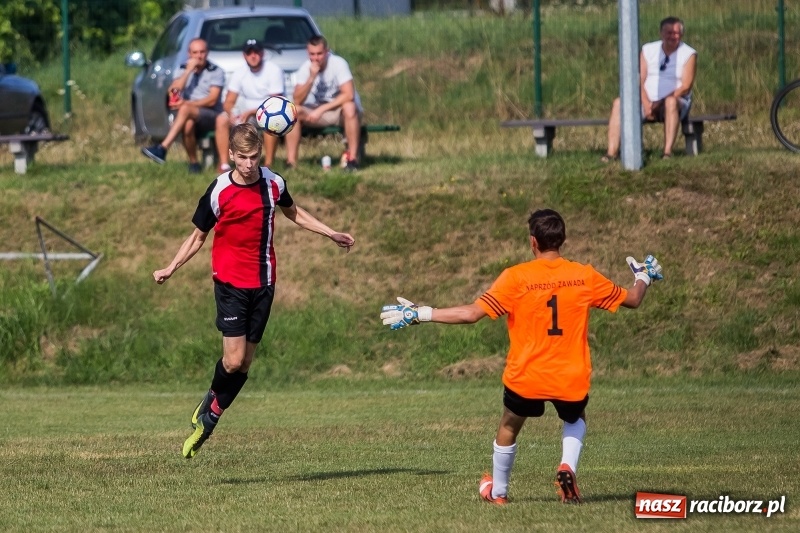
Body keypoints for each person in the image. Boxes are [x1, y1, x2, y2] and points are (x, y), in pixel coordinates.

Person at [379, 209, 663, 504]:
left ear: (532, 242)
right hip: (570, 374)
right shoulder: (583, 276)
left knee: (509, 426)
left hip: (526, 375)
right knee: (575, 418)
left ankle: (499, 493)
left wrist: (419, 314)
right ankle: (567, 466)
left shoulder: (516, 278)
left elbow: (472, 314)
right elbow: (633, 299)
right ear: (562, 240)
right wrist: (643, 275)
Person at [153, 123, 355, 459]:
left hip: (264, 283)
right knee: (232, 360)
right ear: (231, 155)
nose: (249, 163)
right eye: (242, 157)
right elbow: (197, 236)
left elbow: (294, 213)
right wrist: (172, 267)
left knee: (244, 365)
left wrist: (330, 232)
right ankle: (210, 420)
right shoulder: (218, 191)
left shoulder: (274, 183)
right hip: (230, 283)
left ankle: (210, 407)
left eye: (254, 156)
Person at [603, 17, 697, 161]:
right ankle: (611, 153)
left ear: (682, 34)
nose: (673, 36)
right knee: (619, 103)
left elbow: (686, 86)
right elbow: (639, 79)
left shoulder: (688, 53)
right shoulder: (648, 50)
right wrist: (646, 103)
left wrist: (661, 102)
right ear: (661, 33)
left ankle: (667, 152)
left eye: (676, 33)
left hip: (675, 101)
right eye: (669, 33)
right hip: (646, 99)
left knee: (671, 102)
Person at [141, 38, 228, 173]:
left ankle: (163, 147)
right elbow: (174, 91)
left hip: (211, 114)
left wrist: (187, 103)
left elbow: (212, 99)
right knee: (187, 125)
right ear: (189, 54)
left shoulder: (215, 71)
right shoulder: (182, 68)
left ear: (207, 53)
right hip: (188, 115)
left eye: (202, 52)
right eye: (195, 52)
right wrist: (188, 71)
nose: (199, 56)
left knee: (185, 108)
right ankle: (194, 163)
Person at [216, 39, 297, 170]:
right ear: (244, 55)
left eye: (256, 52)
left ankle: (268, 164)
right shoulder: (239, 72)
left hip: (269, 111)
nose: (253, 56)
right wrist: (230, 113)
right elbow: (229, 100)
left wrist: (253, 111)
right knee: (221, 119)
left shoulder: (273, 70)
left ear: (262, 53)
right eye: (249, 53)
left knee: (271, 120)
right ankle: (224, 164)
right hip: (244, 113)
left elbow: (275, 102)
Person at [289, 35, 363, 171]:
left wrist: (321, 110)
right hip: (316, 111)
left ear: (327, 52)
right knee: (293, 112)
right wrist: (311, 78)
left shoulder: (338, 64)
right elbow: (297, 100)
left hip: (337, 111)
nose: (316, 58)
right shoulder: (305, 68)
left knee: (350, 107)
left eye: (319, 54)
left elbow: (348, 94)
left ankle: (352, 159)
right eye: (312, 54)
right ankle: (291, 163)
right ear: (307, 53)